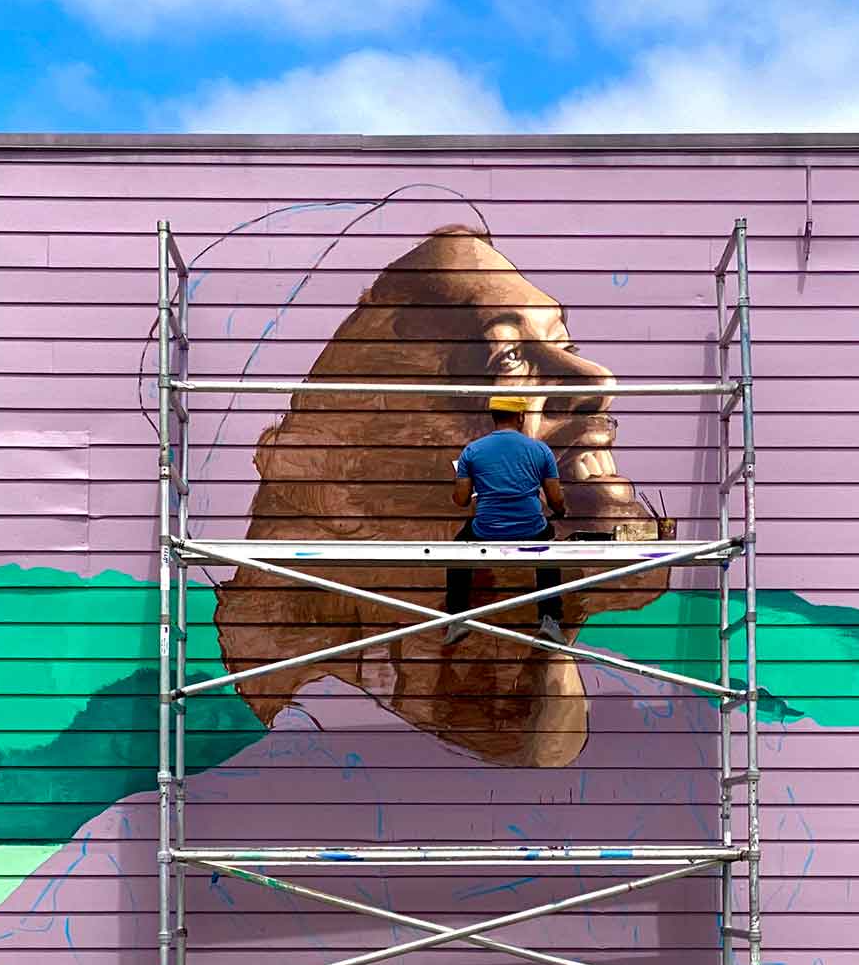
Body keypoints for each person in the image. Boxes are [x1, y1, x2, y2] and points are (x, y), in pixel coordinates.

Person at [213, 225, 666, 768]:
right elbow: (550, 495)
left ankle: (466, 609)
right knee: (531, 562)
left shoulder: (479, 454)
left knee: (472, 559)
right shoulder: (319, 749)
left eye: (565, 344)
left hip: (487, 534)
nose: (598, 380)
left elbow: (464, 493)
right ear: (370, 471)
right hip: (520, 535)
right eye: (508, 359)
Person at [445, 393, 570, 646]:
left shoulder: (472, 451)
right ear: (521, 416)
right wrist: (561, 510)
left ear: (494, 417)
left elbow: (461, 500)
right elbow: (555, 499)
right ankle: (550, 619)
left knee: (457, 550)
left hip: (486, 530)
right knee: (549, 548)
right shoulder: (540, 450)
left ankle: (457, 619)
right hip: (530, 529)